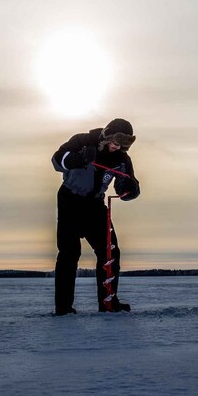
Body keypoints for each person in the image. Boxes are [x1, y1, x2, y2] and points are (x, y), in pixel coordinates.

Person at [51, 118, 141, 315]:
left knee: (110, 252)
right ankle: (63, 308)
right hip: (69, 200)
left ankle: (109, 303)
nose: (117, 148)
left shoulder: (122, 159)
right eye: (116, 143)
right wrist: (78, 158)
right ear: (106, 136)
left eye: (124, 146)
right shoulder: (82, 141)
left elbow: (126, 186)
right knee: (69, 253)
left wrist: (130, 189)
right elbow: (57, 160)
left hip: (95, 205)